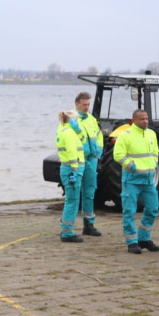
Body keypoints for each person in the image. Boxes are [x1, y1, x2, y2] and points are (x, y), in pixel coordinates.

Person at [113, 109, 159, 254]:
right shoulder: (125, 135)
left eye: (146, 118)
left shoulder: (151, 134)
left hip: (148, 180)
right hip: (131, 180)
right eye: (142, 119)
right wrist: (131, 166)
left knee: (153, 209)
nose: (145, 121)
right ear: (134, 120)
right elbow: (118, 155)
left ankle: (144, 239)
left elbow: (155, 152)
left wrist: (153, 164)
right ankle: (132, 242)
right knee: (129, 211)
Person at [74, 92, 103, 236]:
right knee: (73, 193)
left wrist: (98, 154)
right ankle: (68, 227)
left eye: (88, 104)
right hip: (78, 161)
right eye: (84, 104)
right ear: (77, 104)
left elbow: (99, 137)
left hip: (91, 160)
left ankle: (88, 225)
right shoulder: (72, 120)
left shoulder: (91, 119)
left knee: (90, 192)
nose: (87, 107)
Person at [55, 109, 85, 242]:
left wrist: (78, 130)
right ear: (72, 121)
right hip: (71, 170)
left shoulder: (62, 130)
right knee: (72, 201)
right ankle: (67, 232)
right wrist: (74, 171)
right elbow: (72, 153)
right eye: (76, 120)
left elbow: (82, 140)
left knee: (70, 200)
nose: (78, 122)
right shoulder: (69, 134)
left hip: (66, 169)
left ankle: (66, 228)